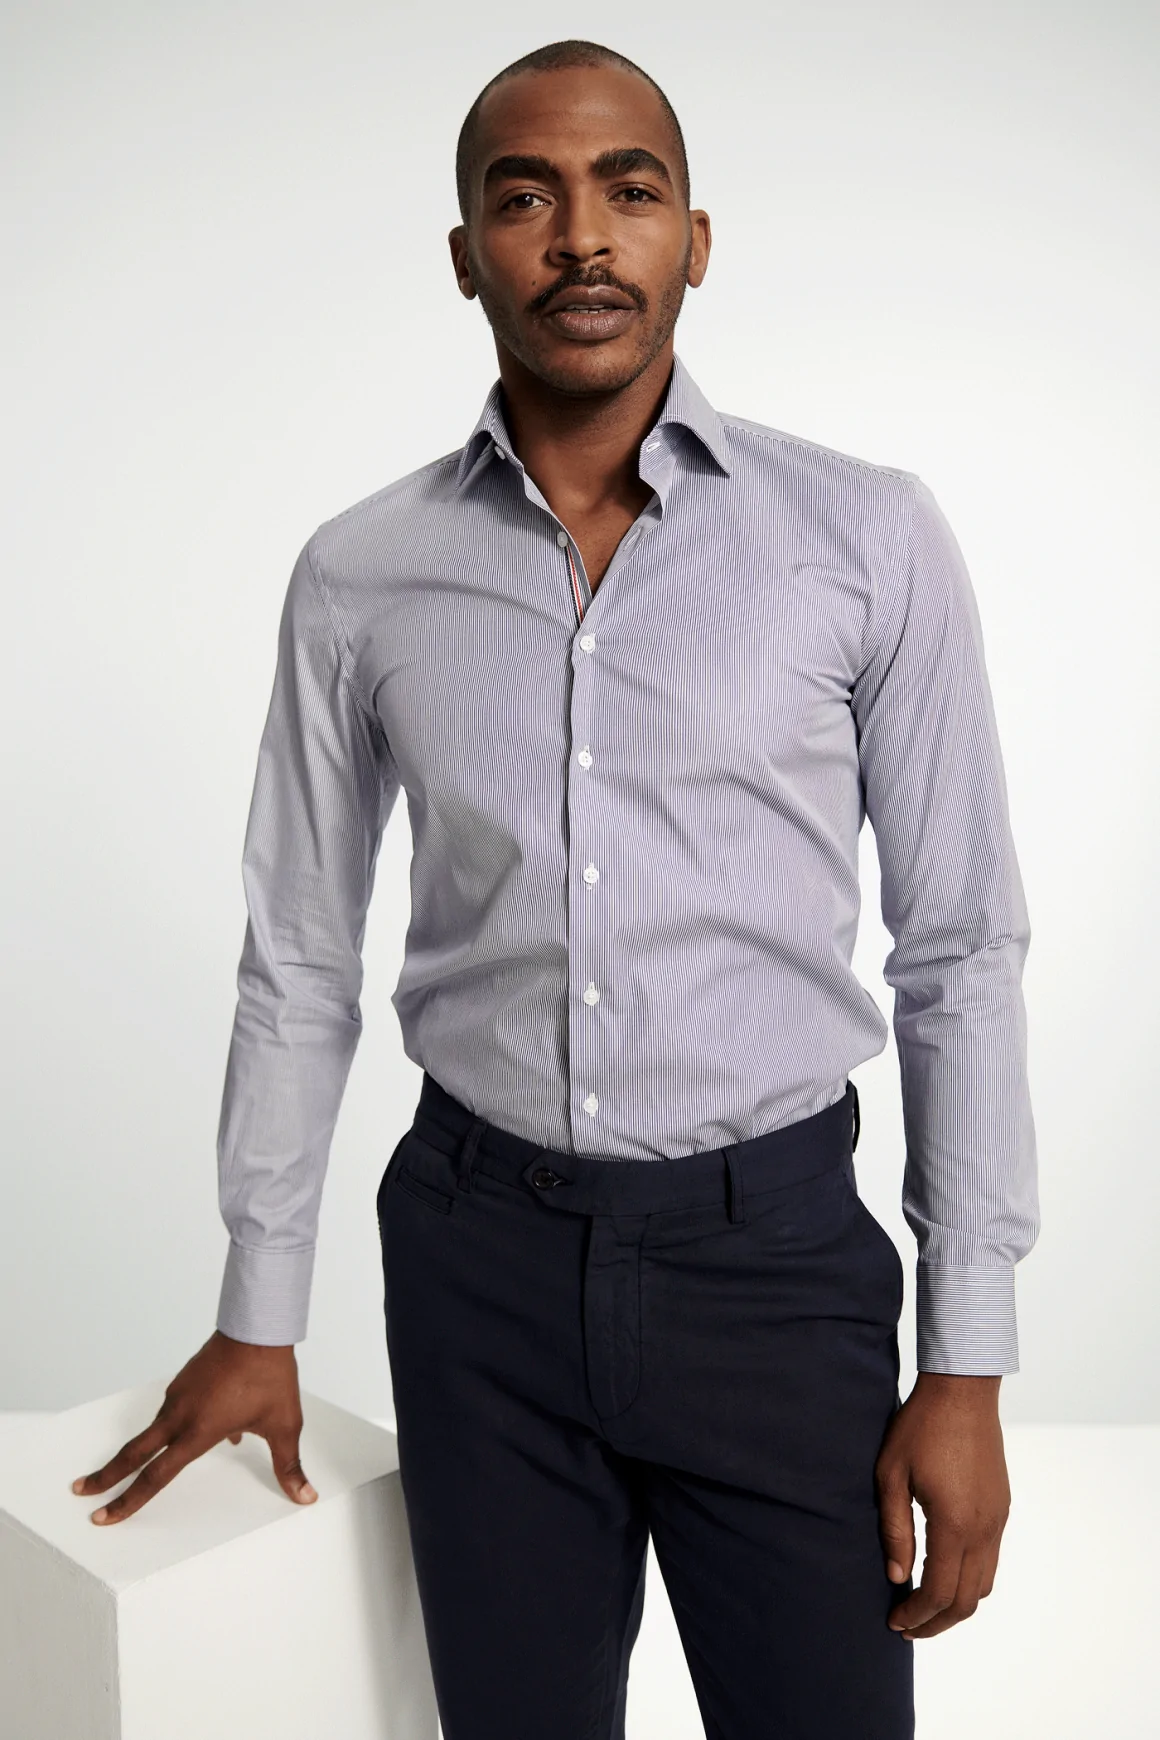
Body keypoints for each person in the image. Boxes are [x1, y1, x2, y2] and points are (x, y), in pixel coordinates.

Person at [71, 38, 1040, 1739]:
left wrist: (967, 1360)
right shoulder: (362, 575)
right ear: (466, 255)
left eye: (628, 190)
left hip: (776, 1269)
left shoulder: (866, 538)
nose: (581, 236)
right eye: (525, 198)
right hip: (479, 1270)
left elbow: (958, 949)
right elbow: (298, 955)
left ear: (695, 240)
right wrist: (257, 1313)